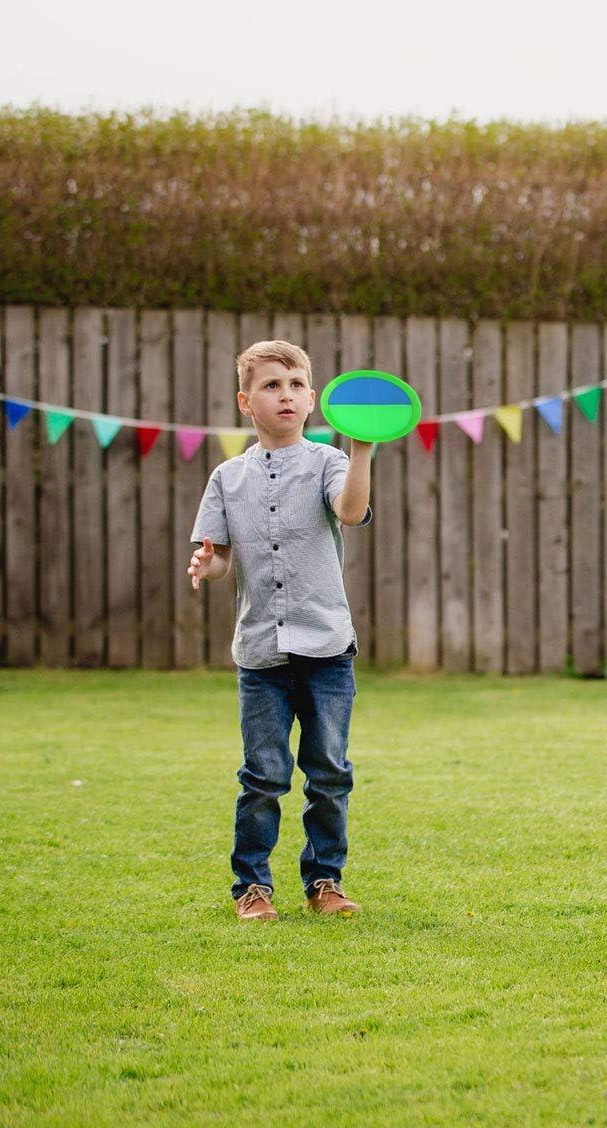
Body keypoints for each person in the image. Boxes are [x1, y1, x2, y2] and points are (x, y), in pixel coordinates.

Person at [188, 340, 374, 921]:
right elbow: (218, 556)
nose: (285, 395)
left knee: (328, 774)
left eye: (295, 386)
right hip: (260, 653)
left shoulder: (330, 463)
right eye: (272, 386)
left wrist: (362, 451)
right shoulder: (225, 477)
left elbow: (349, 512)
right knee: (263, 776)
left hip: (327, 650)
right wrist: (207, 565)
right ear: (246, 401)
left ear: (313, 398)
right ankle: (252, 887)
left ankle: (325, 881)